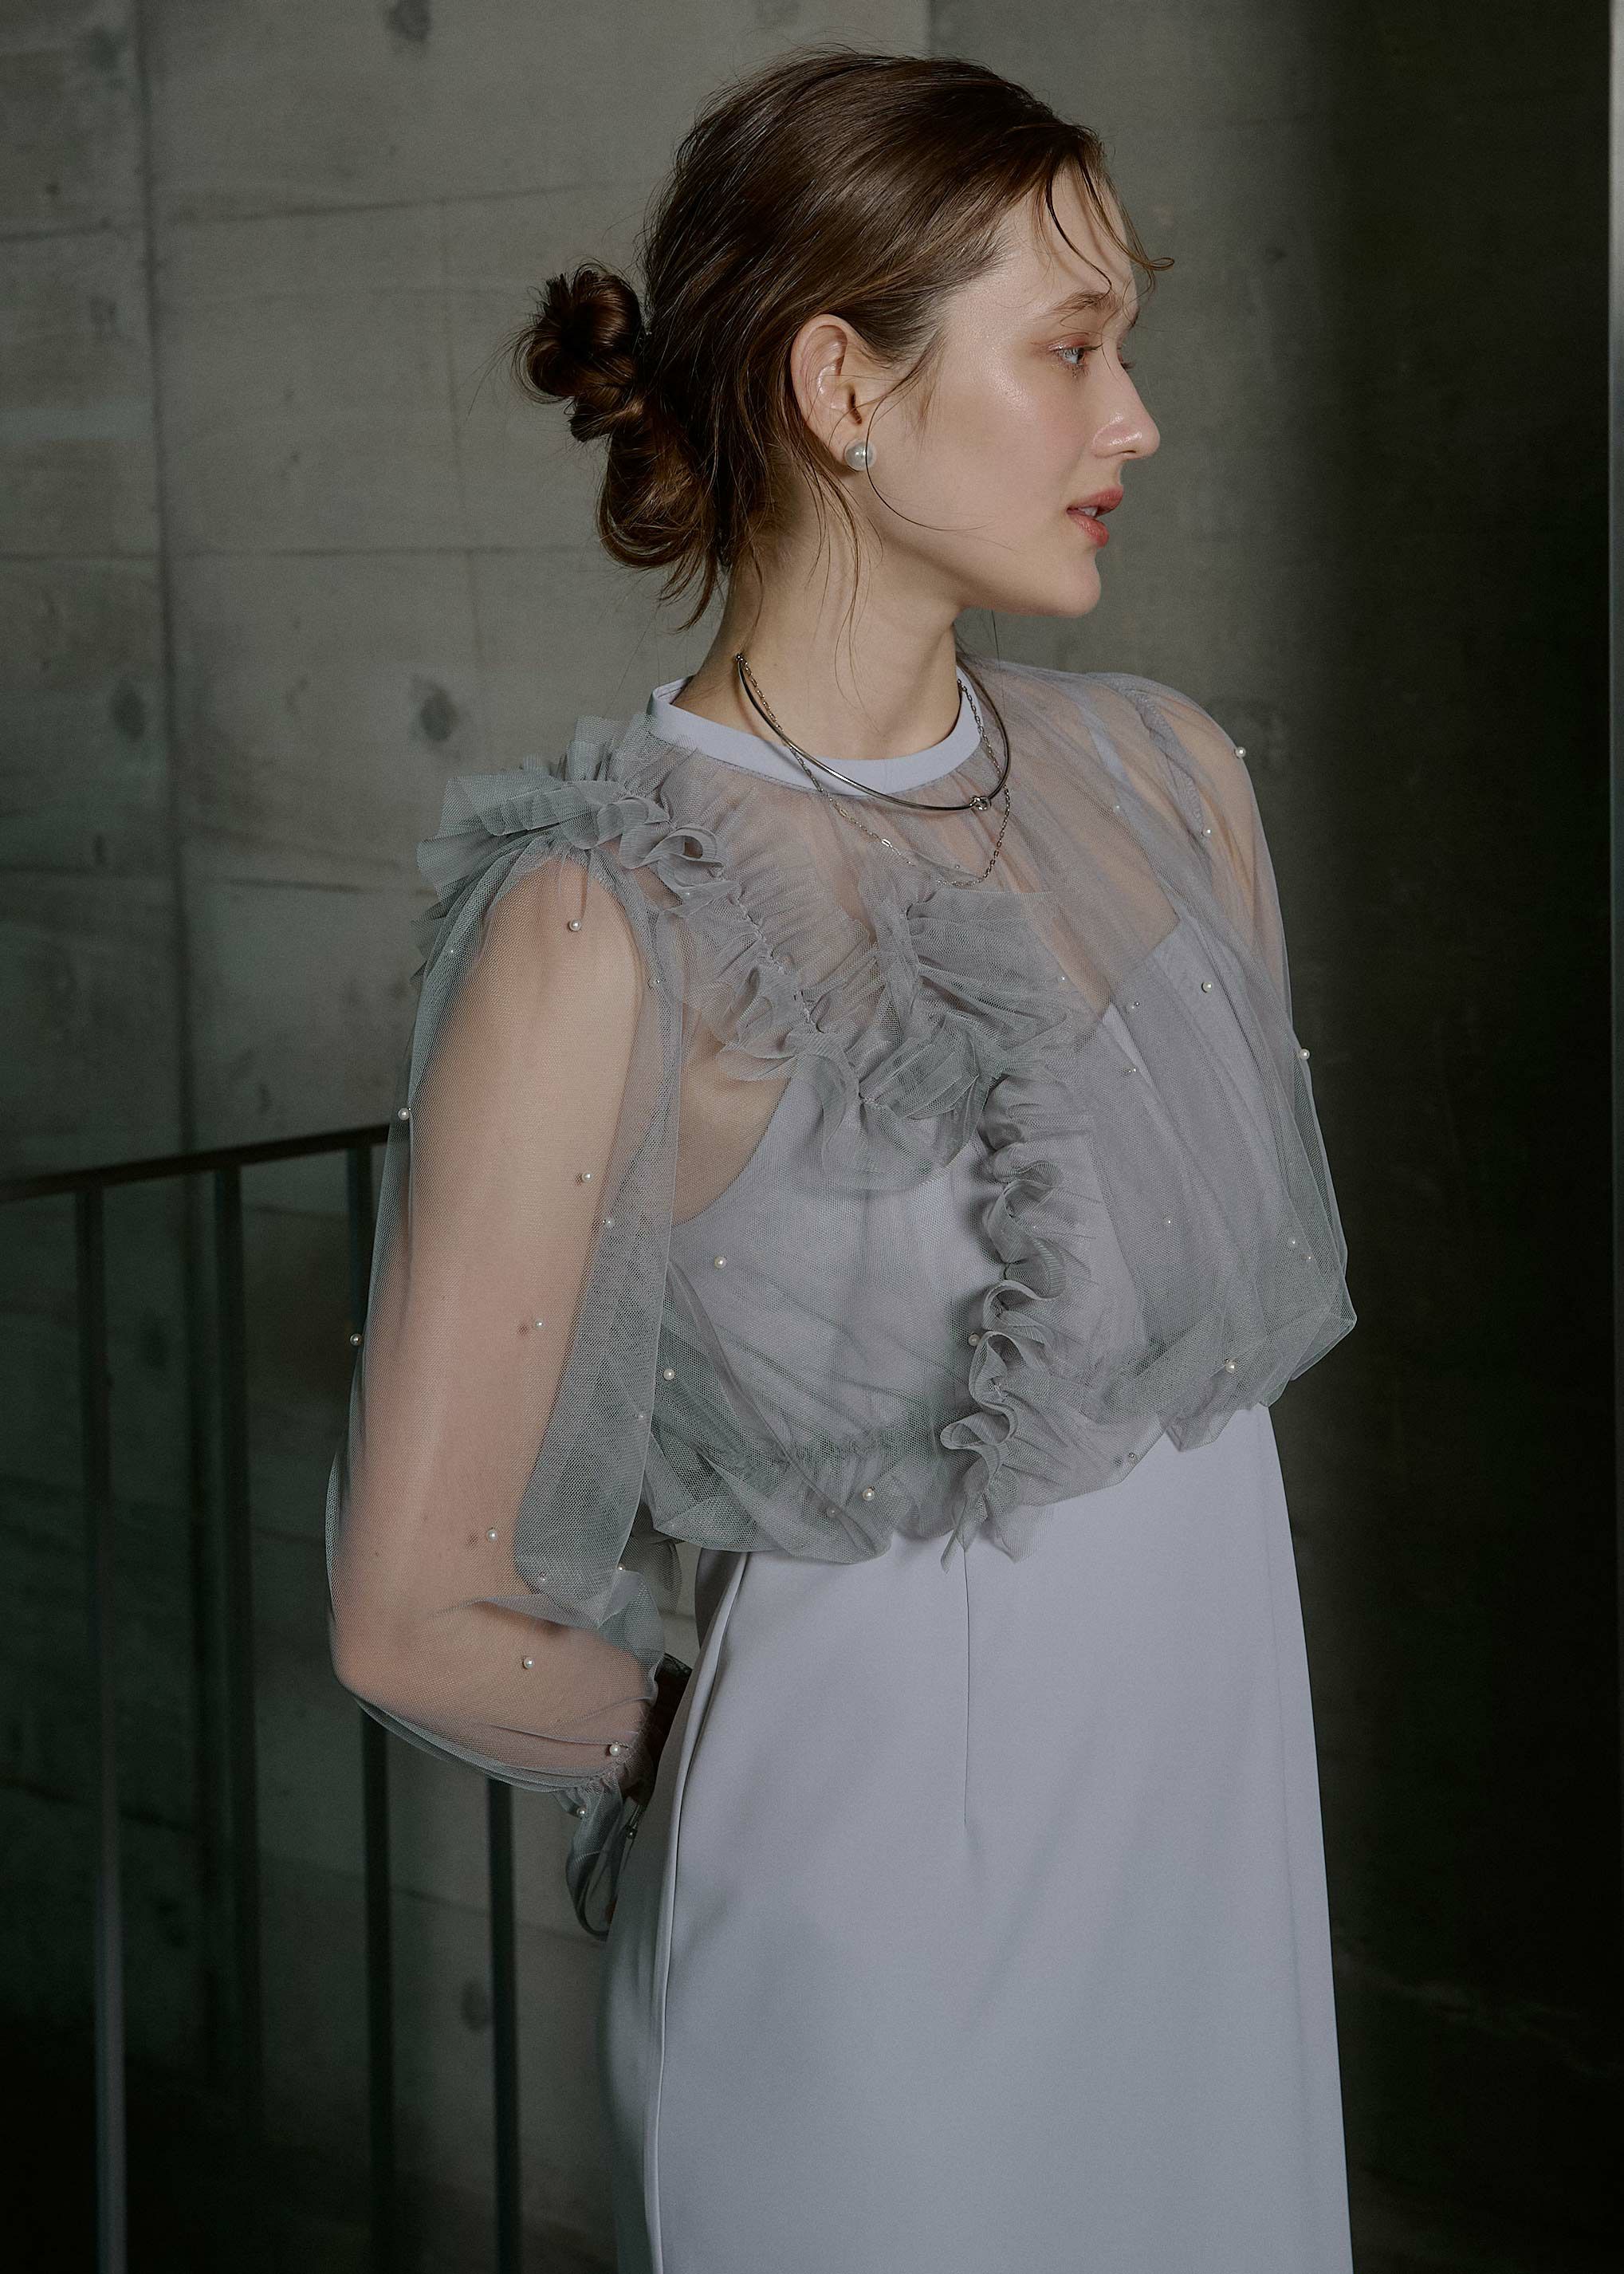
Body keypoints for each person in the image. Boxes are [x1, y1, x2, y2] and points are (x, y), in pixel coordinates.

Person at [324, 45, 1358, 2274]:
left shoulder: (1174, 786)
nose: (1135, 422)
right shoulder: (602, 917)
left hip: (1212, 1879)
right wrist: (732, 1736)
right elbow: (411, 1612)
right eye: (1071, 351)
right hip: (875, 1937)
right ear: (843, 387)